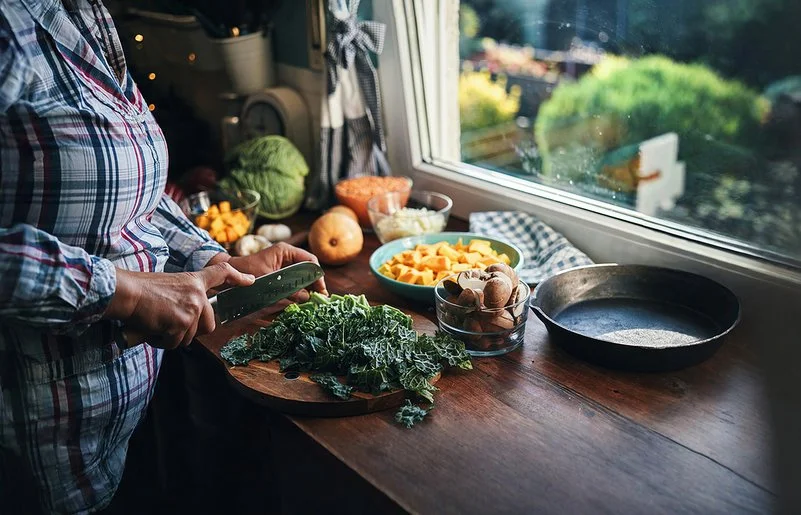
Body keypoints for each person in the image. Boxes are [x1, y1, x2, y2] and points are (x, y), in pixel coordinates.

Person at [0, 1, 326, 513]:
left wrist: (217, 263)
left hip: (122, 429)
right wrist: (124, 293)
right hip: (38, 451)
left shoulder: (84, 13)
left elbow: (138, 202)